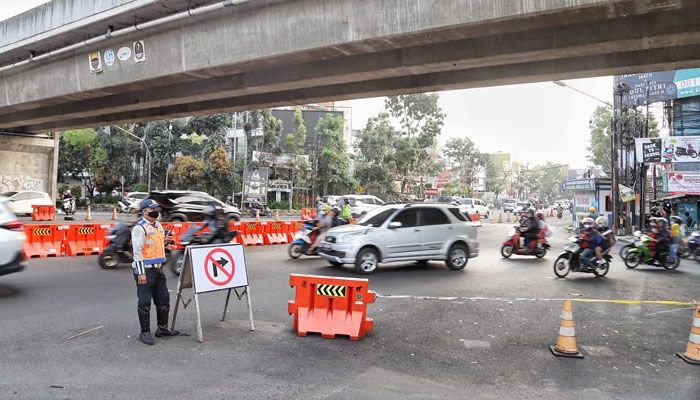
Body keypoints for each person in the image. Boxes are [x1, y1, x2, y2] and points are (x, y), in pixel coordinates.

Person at [131, 199, 179, 345]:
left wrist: (166, 242)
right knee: (145, 302)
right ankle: (145, 332)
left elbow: (155, 245)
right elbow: (137, 252)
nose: (156, 211)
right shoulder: (140, 228)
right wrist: (141, 273)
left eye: (157, 208)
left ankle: (162, 328)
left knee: (163, 300)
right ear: (145, 211)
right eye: (152, 209)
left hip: (158, 268)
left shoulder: (158, 226)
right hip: (145, 269)